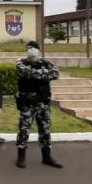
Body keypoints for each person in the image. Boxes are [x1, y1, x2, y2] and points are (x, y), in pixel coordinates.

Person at [15, 40, 63, 169]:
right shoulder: (21, 62)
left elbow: (56, 74)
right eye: (28, 48)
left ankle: (47, 157)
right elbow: (26, 72)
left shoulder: (46, 63)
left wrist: (38, 74)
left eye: (33, 48)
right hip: (28, 103)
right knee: (24, 130)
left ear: (38, 50)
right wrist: (44, 75)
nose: (31, 50)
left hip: (43, 103)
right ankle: (21, 157)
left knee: (45, 130)